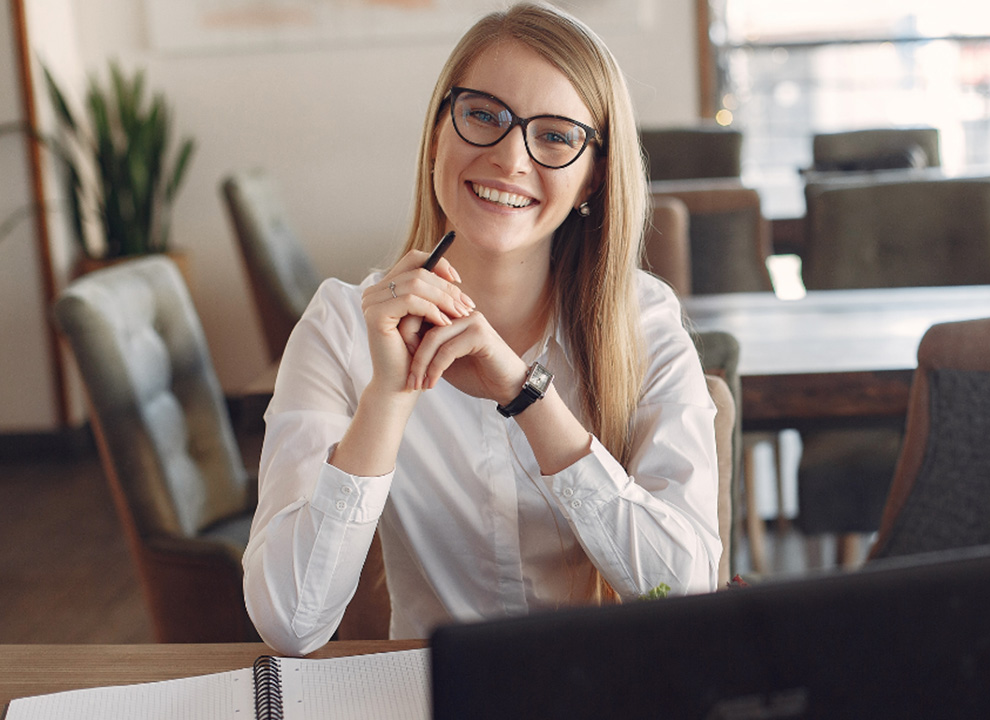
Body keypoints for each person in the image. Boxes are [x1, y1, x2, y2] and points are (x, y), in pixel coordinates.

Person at [243, 3, 721, 656]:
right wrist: (389, 394)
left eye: (554, 136)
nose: (508, 157)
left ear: (595, 176)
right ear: (439, 130)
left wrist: (527, 395)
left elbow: (685, 597)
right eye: (484, 115)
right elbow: (290, 625)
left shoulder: (645, 323)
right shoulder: (341, 326)